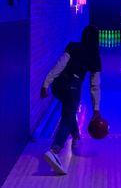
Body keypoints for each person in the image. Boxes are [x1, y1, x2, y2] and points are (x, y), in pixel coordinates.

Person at [40, 25, 101, 175]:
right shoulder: (94, 55)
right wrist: (96, 109)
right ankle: (55, 150)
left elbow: (59, 65)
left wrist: (46, 83)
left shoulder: (73, 46)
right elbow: (95, 85)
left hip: (58, 85)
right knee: (67, 117)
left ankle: (76, 137)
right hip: (73, 86)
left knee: (69, 110)